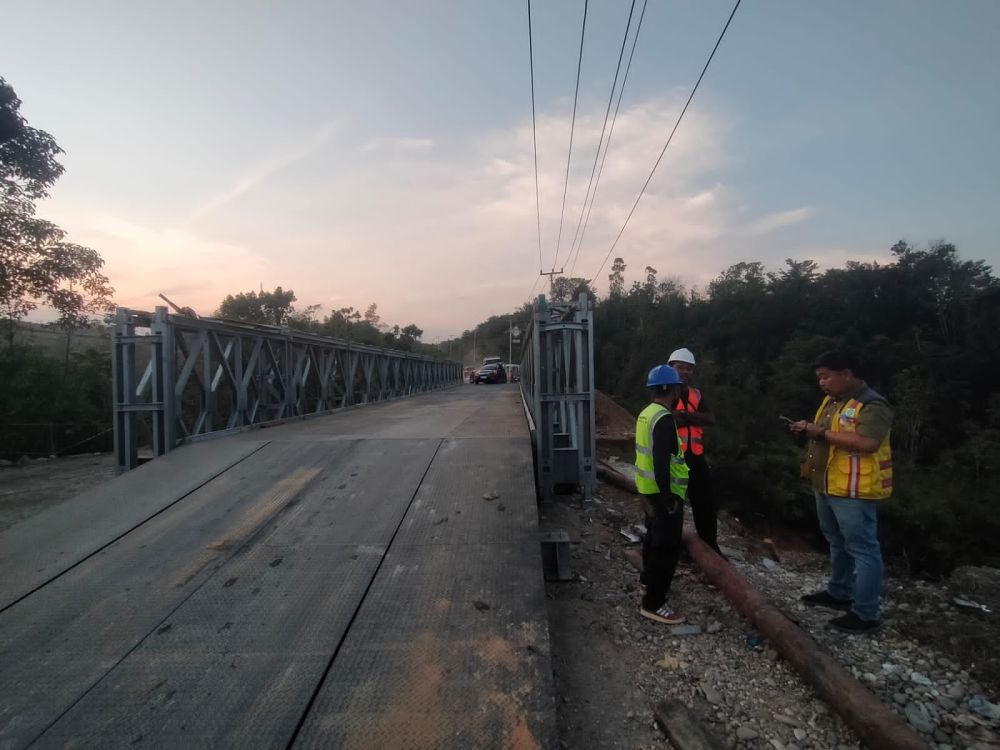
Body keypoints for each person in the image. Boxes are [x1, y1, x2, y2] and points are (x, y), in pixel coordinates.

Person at [788, 351, 893, 634]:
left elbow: (868, 442)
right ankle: (839, 592)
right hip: (826, 483)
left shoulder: (872, 404)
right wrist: (806, 430)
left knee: (863, 548)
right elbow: (824, 432)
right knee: (836, 541)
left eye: (826, 376)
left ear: (846, 373)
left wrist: (819, 433)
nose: (821, 383)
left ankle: (866, 613)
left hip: (853, 490)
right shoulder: (832, 402)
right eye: (819, 378)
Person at [635, 364, 691, 625]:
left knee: (652, 539)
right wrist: (669, 496)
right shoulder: (664, 419)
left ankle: (647, 583)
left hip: (647, 490)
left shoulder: (646, 413)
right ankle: (654, 603)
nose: (679, 391)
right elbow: (660, 461)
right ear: (669, 388)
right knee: (666, 548)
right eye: (677, 387)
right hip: (663, 494)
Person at [667, 347, 721, 555]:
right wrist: (692, 416)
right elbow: (668, 420)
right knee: (674, 503)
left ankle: (710, 544)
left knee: (705, 502)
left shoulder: (696, 394)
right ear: (671, 368)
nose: (685, 372)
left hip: (695, 455)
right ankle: (672, 545)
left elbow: (710, 419)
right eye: (681, 367)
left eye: (689, 369)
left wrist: (684, 415)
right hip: (674, 457)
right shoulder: (664, 391)